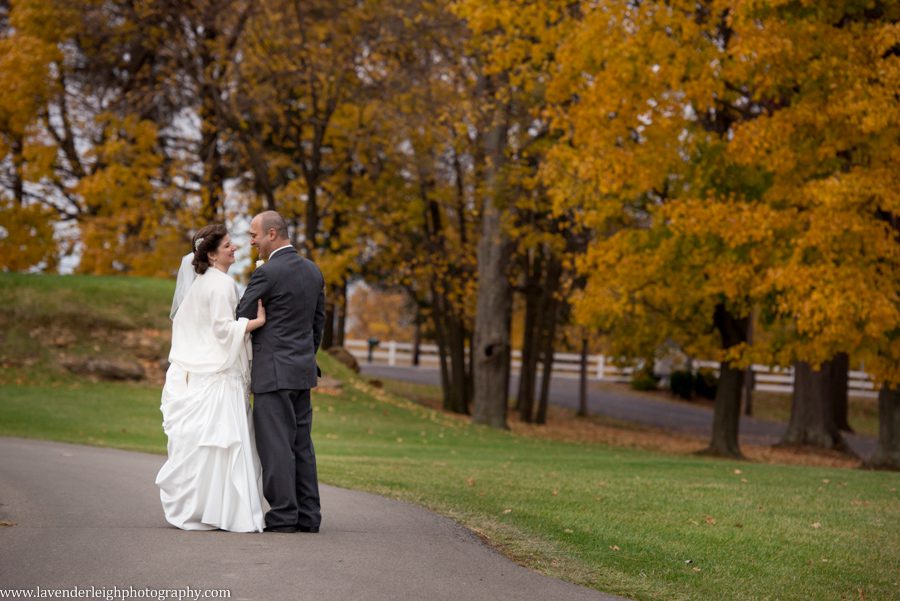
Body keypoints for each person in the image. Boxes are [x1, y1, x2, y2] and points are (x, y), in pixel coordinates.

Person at [156, 224, 268, 532]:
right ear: (212, 253)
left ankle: (206, 507)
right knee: (223, 445)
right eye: (229, 245)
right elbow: (222, 329)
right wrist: (254, 322)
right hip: (220, 378)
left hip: (202, 375)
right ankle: (225, 511)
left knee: (209, 449)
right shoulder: (220, 284)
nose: (235, 249)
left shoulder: (200, 284)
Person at [236, 211, 325, 534]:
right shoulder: (313, 271)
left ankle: (284, 515)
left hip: (273, 374)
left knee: (275, 446)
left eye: (254, 234)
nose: (252, 241)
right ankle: (308, 516)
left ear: (272, 234)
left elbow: (242, 315)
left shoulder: (267, 273)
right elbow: (318, 323)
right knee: (301, 445)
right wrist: (303, 356)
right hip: (301, 371)